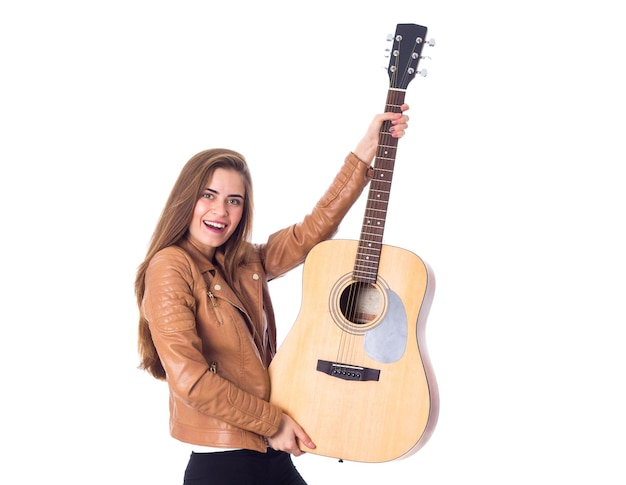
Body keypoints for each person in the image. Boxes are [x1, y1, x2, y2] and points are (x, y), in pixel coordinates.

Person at [134, 104, 410, 485]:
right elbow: (190, 381)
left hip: (266, 453)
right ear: (186, 199)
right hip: (224, 464)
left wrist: (364, 153)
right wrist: (273, 421)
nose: (221, 211)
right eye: (209, 196)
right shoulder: (170, 267)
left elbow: (309, 233)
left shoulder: (242, 261)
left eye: (234, 200)